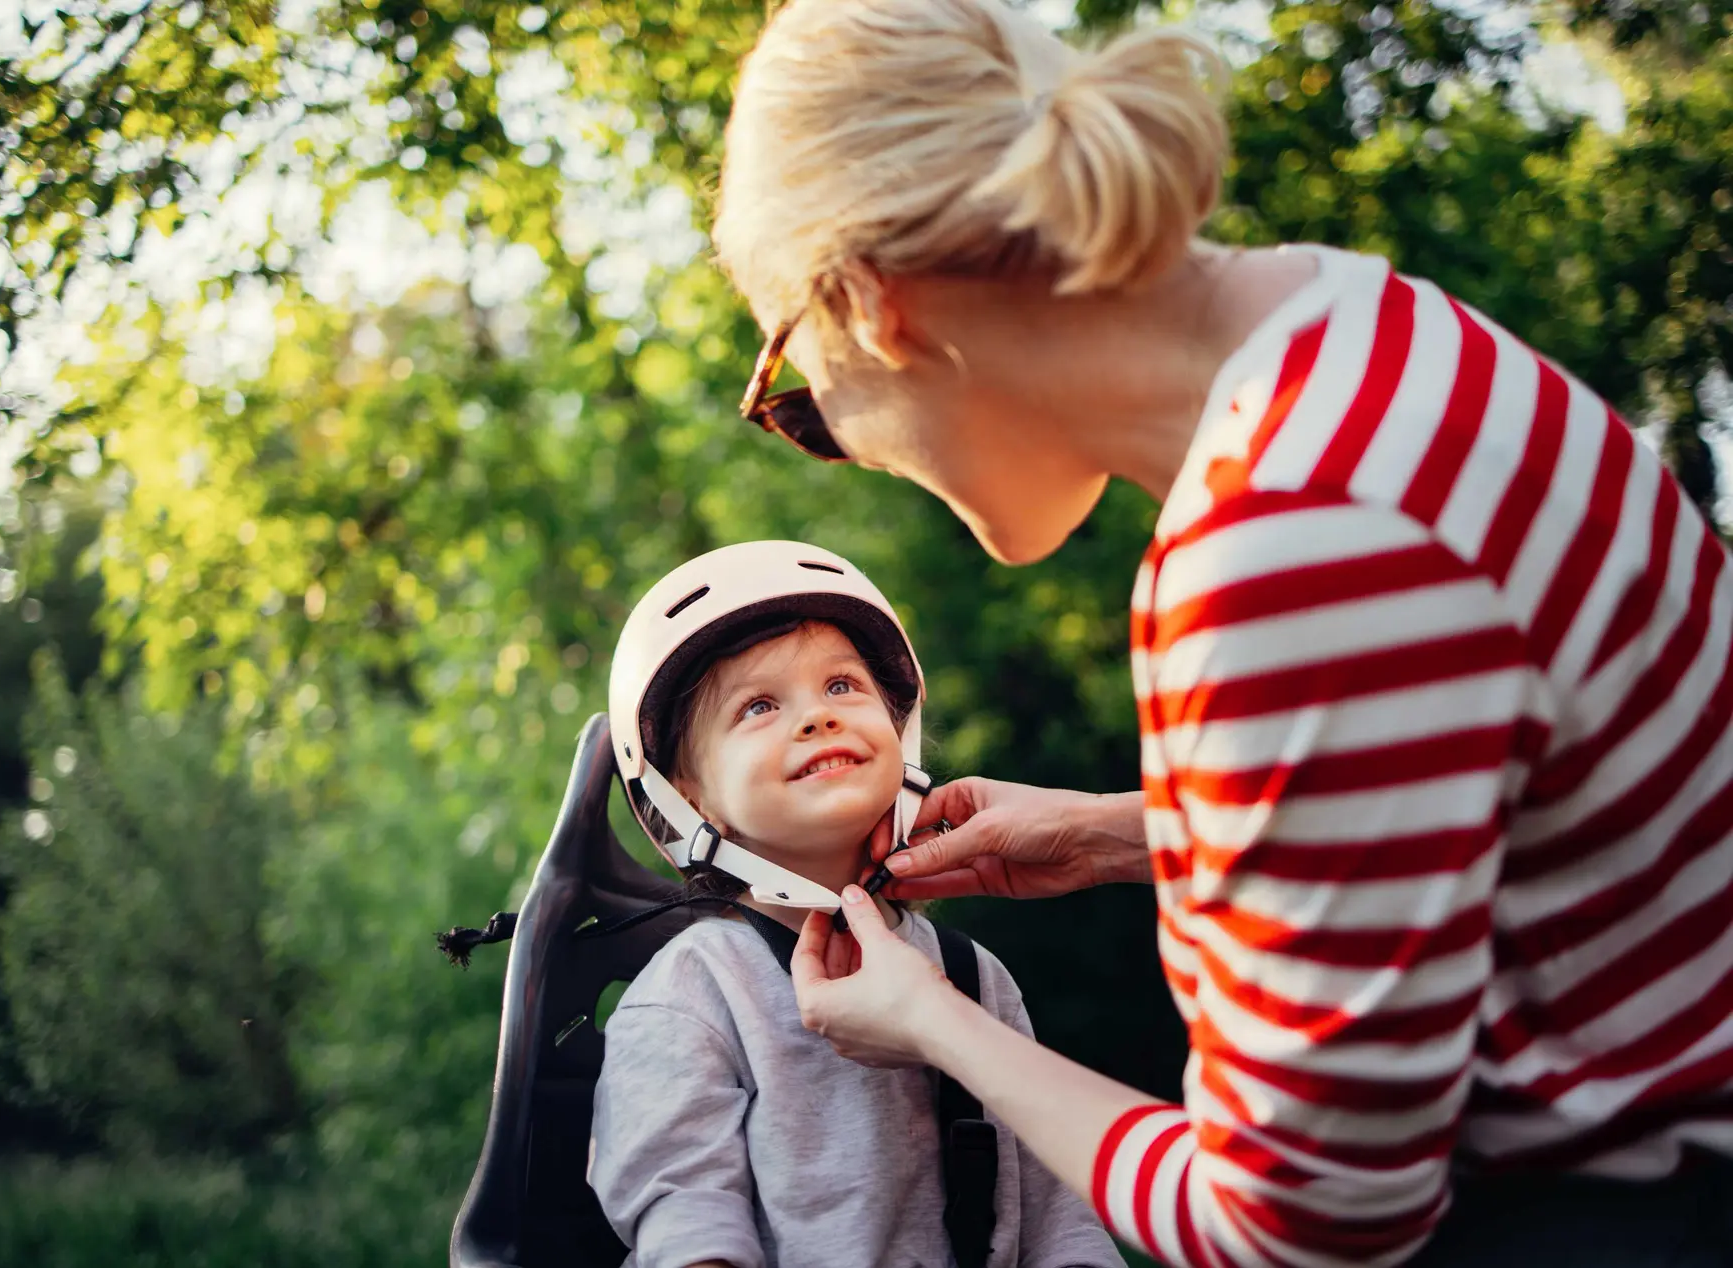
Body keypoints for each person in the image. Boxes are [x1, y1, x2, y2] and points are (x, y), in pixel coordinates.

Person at [706, 1, 1733, 1265]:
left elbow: (1300, 1224)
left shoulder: (1286, 543)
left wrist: (941, 1025)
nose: (837, 445)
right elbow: (1536, 814)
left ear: (876, 306)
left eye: (800, 399)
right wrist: (1132, 831)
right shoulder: (1359, 324)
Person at [588, 539, 1123, 1268]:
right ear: (691, 800)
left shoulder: (972, 975)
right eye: (759, 705)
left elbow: (1060, 1221)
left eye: (842, 686)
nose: (817, 717)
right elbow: (687, 1225)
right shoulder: (692, 996)